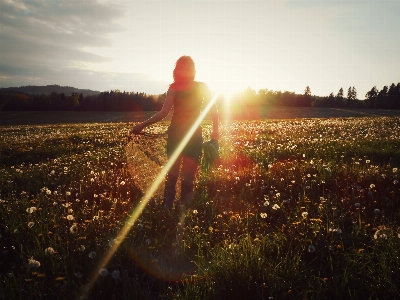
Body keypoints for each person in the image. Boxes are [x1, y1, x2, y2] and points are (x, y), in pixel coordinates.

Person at [130, 56, 219, 210]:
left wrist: (142, 125)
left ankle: (169, 207)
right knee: (185, 177)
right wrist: (215, 132)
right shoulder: (190, 87)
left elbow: (163, 113)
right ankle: (179, 208)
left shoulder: (177, 87)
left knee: (174, 176)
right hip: (189, 135)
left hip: (182, 135)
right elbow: (214, 111)